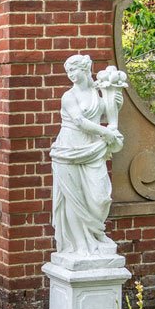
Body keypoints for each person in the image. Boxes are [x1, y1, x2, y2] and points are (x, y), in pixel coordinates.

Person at [49, 55, 125, 256]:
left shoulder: (97, 92)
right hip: (68, 151)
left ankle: (97, 232)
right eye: (69, 71)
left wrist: (116, 103)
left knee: (101, 197)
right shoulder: (68, 97)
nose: (71, 75)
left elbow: (109, 116)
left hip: (92, 150)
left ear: (85, 69)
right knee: (74, 201)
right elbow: (81, 122)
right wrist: (106, 133)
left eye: (75, 70)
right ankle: (80, 245)